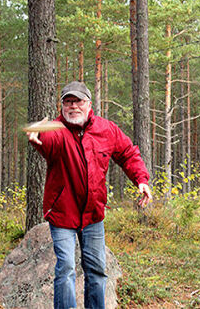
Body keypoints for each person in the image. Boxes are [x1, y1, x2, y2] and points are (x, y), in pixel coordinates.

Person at [27, 81, 151, 309]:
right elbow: (48, 142)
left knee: (96, 271)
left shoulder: (107, 130)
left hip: (93, 214)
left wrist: (141, 180)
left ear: (89, 104)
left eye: (78, 101)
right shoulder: (56, 130)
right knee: (66, 268)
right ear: (62, 106)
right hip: (62, 213)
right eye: (68, 101)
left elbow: (128, 154)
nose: (73, 106)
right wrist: (38, 137)